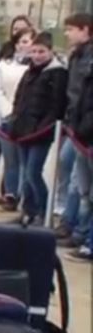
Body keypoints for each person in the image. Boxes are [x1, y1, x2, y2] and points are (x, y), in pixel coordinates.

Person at [8, 31, 68, 225]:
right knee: (26, 172)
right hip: (24, 129)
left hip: (41, 131)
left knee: (33, 172)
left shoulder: (58, 74)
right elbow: (20, 98)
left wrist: (42, 128)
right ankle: (29, 210)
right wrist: (15, 120)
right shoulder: (30, 71)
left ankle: (43, 211)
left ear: (50, 51)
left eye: (41, 51)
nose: (37, 55)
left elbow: (56, 106)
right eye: (33, 51)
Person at [54, 13, 93, 250]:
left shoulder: (88, 58)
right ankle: (69, 221)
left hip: (85, 127)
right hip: (75, 122)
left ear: (85, 30)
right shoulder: (77, 56)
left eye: (71, 29)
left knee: (81, 183)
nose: (67, 34)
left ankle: (77, 228)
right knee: (69, 169)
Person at [0, 28, 34, 211]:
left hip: (28, 121)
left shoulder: (38, 67)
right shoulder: (4, 65)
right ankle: (10, 193)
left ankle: (25, 196)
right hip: (5, 117)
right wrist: (7, 112)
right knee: (10, 160)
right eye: (21, 42)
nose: (25, 45)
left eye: (28, 41)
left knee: (26, 161)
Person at [65, 60, 93, 262]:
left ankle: (90, 243)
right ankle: (83, 234)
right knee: (85, 193)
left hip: (87, 134)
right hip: (83, 137)